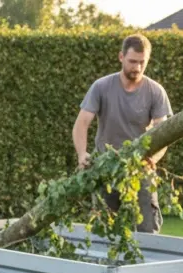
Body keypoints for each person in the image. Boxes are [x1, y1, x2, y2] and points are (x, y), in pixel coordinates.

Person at [71, 34, 173, 234]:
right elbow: (81, 123)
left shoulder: (155, 91)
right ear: (121, 57)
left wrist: (154, 158)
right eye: (132, 61)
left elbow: (163, 133)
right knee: (104, 229)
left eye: (142, 63)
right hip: (106, 166)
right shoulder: (101, 87)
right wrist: (82, 154)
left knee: (147, 227)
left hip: (140, 167)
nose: (137, 67)